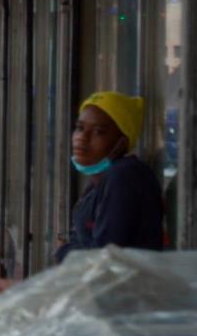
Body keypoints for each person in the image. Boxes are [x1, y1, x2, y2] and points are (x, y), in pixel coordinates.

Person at [55, 91, 164, 263]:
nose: (82, 137)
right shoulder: (99, 180)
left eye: (98, 131)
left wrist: (63, 251)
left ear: (122, 142)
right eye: (80, 128)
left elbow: (103, 257)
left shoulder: (124, 177)